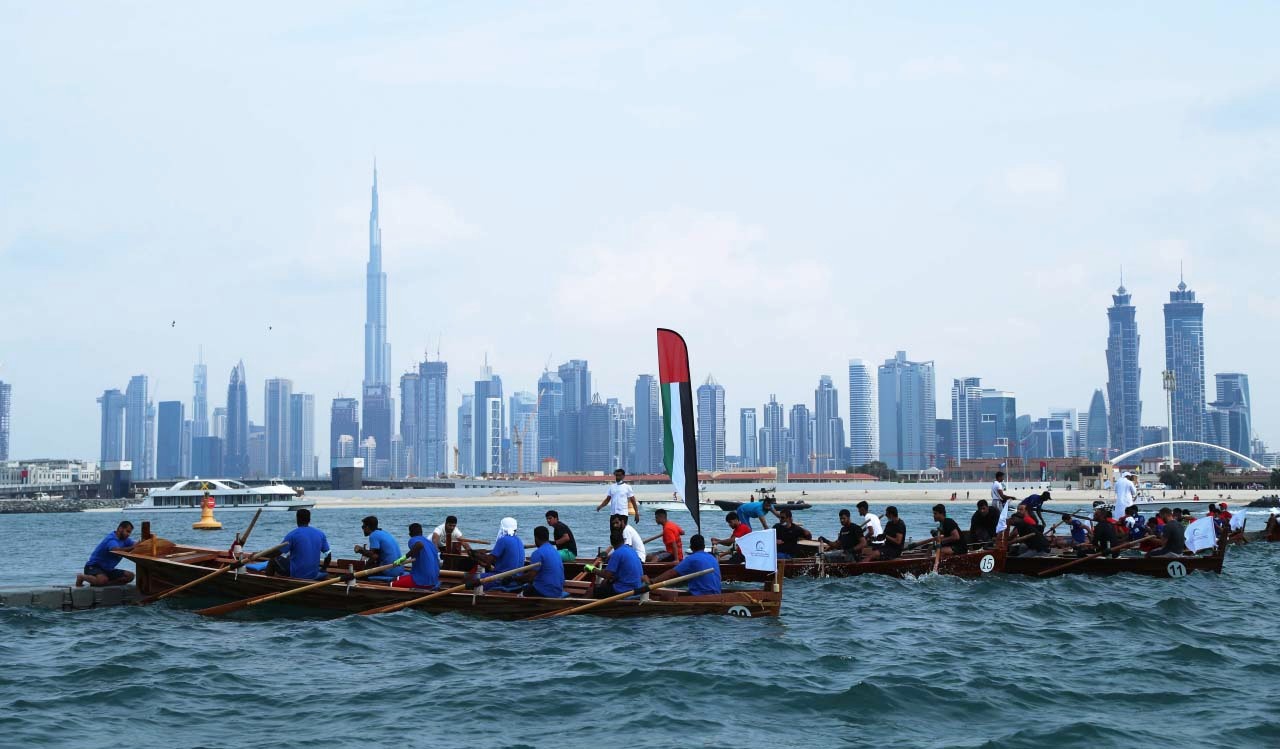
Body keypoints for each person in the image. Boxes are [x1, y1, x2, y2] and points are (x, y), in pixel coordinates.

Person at [267, 508, 331, 580]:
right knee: (289, 557)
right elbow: (328, 555)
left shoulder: (292, 535)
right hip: (314, 574)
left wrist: (263, 554)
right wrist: (324, 569)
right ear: (309, 520)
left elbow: (276, 553)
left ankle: (268, 583)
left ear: (297, 519)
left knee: (273, 560)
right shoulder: (320, 534)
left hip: (297, 575)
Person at [649, 535, 722, 596]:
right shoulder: (713, 558)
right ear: (704, 546)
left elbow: (671, 573)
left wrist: (653, 581)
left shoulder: (691, 559)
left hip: (701, 595)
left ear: (691, 547)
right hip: (717, 593)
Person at [76, 521, 137, 587]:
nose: (128, 534)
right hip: (93, 567)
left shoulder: (125, 539)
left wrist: (142, 543)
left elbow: (135, 544)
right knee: (103, 580)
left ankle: (99, 582)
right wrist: (133, 547)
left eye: (130, 532)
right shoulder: (111, 539)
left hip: (108, 570)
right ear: (120, 529)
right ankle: (82, 577)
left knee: (130, 576)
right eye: (127, 531)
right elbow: (115, 550)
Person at [519, 526, 566, 598]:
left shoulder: (537, 553)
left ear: (536, 538)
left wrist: (514, 579)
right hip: (558, 591)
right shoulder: (555, 551)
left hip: (545, 592)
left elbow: (530, 577)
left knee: (520, 594)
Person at [353, 515, 404, 581]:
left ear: (368, 527)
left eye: (363, 527)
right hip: (400, 569)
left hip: (390, 571)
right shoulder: (384, 533)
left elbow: (374, 556)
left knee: (361, 577)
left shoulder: (373, 535)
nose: (363, 529)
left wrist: (361, 550)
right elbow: (375, 555)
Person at [594, 530, 643, 598]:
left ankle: (582, 605)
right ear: (623, 540)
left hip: (624, 590)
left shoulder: (617, 553)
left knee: (593, 590)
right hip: (637, 588)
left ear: (612, 543)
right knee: (605, 583)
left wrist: (593, 570)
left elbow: (607, 575)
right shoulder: (632, 550)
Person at [392, 523, 440, 590]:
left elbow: (419, 545)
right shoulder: (430, 543)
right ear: (421, 532)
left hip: (422, 581)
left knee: (391, 585)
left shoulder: (413, 539)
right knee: (396, 578)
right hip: (434, 581)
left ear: (410, 534)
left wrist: (403, 559)